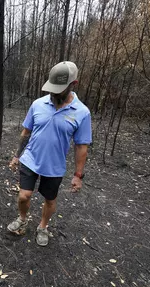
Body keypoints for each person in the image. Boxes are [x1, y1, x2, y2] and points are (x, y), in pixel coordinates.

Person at [7, 61, 92, 246]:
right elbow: (25, 133)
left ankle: (43, 227)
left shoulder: (82, 113)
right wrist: (16, 156)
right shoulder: (38, 104)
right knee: (24, 196)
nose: (54, 93)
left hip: (54, 166)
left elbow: (81, 147)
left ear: (73, 84)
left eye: (59, 89)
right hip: (30, 159)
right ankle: (22, 219)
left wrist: (78, 175)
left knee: (50, 200)